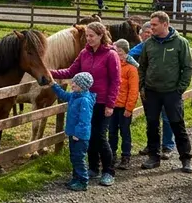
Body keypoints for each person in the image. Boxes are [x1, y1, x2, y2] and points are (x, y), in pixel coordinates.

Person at [51, 21, 120, 186]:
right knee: (86, 136)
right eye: (87, 36)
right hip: (86, 100)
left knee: (100, 137)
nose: (88, 39)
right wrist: (49, 72)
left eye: (91, 36)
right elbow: (70, 71)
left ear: (101, 36)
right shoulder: (84, 53)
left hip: (102, 101)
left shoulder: (111, 55)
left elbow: (116, 81)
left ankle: (109, 171)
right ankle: (93, 168)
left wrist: (110, 104)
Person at [137, 11, 192, 172]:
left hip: (172, 92)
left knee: (177, 124)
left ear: (165, 24)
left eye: (154, 25)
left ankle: (186, 159)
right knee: (152, 124)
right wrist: (142, 86)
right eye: (151, 24)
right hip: (152, 92)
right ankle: (153, 157)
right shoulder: (149, 44)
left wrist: (180, 89)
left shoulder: (180, 43)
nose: (151, 27)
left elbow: (188, 67)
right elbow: (142, 66)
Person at [128, 22, 176, 157]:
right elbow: (129, 55)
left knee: (166, 117)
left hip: (166, 88)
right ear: (141, 34)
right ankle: (152, 145)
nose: (150, 35)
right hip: (148, 87)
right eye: (147, 33)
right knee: (151, 118)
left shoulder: (164, 44)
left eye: (152, 32)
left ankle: (167, 146)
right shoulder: (143, 46)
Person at [52, 72, 96, 192]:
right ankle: (76, 178)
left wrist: (78, 133)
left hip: (80, 137)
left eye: (75, 83)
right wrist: (53, 85)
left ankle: (83, 181)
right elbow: (63, 94)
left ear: (82, 86)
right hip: (73, 134)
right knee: (74, 157)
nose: (72, 84)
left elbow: (84, 120)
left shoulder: (84, 100)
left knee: (79, 158)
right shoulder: (75, 96)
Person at [111, 39, 139, 169]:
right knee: (111, 132)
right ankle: (111, 154)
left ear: (125, 52)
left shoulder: (131, 69)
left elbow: (133, 90)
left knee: (125, 132)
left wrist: (129, 108)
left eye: (119, 52)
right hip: (112, 106)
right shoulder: (112, 66)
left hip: (124, 107)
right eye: (115, 52)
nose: (117, 54)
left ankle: (126, 156)